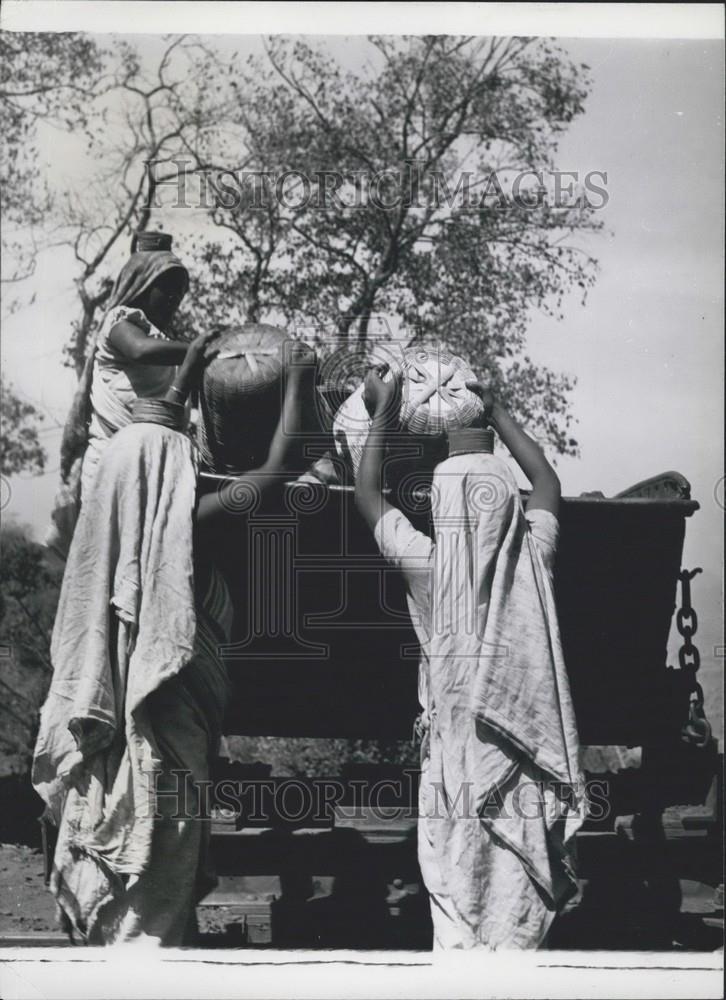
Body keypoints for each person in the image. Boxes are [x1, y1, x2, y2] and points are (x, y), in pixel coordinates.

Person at [33, 328, 317, 947]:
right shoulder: (192, 523)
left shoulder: (111, 540)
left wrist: (186, 377)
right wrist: (297, 378)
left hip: (135, 723)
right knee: (166, 839)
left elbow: (152, 447)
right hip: (171, 722)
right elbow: (278, 466)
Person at [355, 366, 586, 949]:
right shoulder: (533, 557)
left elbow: (366, 494)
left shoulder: (428, 568)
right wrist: (494, 411)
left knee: (460, 901)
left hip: (454, 774)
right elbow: (547, 480)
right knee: (515, 910)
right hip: (521, 771)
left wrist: (383, 411)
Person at [46, 238, 195, 561]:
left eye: (180, 293)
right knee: (107, 563)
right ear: (142, 285)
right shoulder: (120, 322)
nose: (174, 299)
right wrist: (198, 351)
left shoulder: (166, 342)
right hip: (110, 465)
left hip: (148, 465)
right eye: (166, 288)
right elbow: (140, 350)